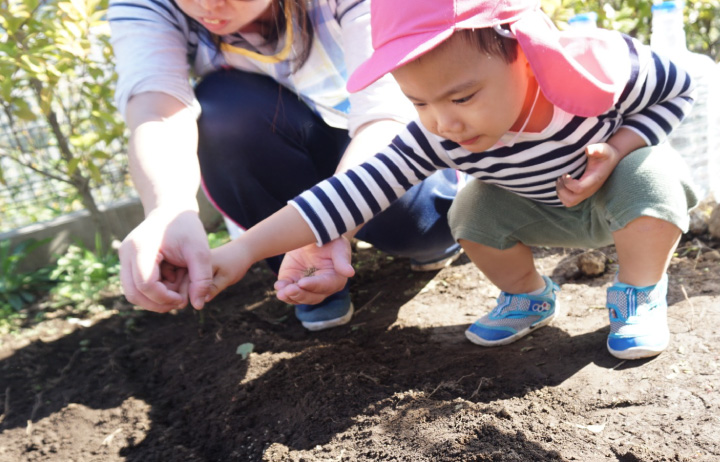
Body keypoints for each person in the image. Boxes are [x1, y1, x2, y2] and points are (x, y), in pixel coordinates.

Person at [201, 0, 699, 360]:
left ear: (522, 54)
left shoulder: (598, 70)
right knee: (471, 208)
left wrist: (618, 148)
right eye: (418, 102)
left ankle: (638, 292)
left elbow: (680, 89)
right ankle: (528, 296)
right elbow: (350, 194)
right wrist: (241, 252)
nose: (443, 122)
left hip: (619, 200)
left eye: (461, 98)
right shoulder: (438, 136)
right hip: (541, 211)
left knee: (647, 173)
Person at [108, 0, 465, 331]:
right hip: (290, 140)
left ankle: (425, 229)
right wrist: (167, 211)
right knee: (224, 112)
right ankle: (301, 273)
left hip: (383, 146)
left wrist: (331, 225)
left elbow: (387, 118)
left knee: (419, 230)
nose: (208, 5)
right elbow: (158, 113)